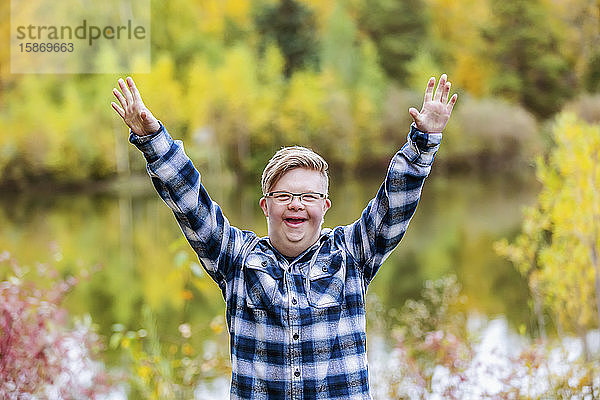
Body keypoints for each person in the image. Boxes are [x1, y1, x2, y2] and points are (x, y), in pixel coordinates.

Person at [111, 74, 457, 400]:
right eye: (284, 196)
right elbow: (189, 201)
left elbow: (395, 203)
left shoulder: (351, 254)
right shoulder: (236, 259)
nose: (296, 205)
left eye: (308, 196)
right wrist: (153, 139)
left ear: (325, 206)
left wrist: (424, 140)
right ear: (265, 205)